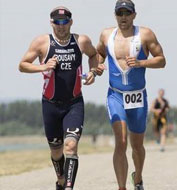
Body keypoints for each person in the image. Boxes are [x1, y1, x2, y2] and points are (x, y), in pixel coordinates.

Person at [19, 6, 98, 190]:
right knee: (56, 151)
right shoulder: (42, 42)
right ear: (51, 23)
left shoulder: (81, 41)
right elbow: (22, 65)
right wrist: (43, 67)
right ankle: (61, 180)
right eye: (57, 22)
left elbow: (93, 55)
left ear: (71, 22)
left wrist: (93, 71)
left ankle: (69, 187)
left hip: (74, 103)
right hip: (50, 105)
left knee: (70, 146)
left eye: (64, 22)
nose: (61, 26)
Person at [96, 0, 166, 190]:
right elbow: (98, 54)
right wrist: (97, 68)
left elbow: (161, 60)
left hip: (137, 97)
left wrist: (142, 63)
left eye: (127, 13)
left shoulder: (145, 34)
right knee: (121, 141)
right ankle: (121, 187)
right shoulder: (106, 35)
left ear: (134, 15)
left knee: (137, 146)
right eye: (120, 13)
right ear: (115, 15)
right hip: (116, 95)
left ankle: (138, 178)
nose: (123, 17)